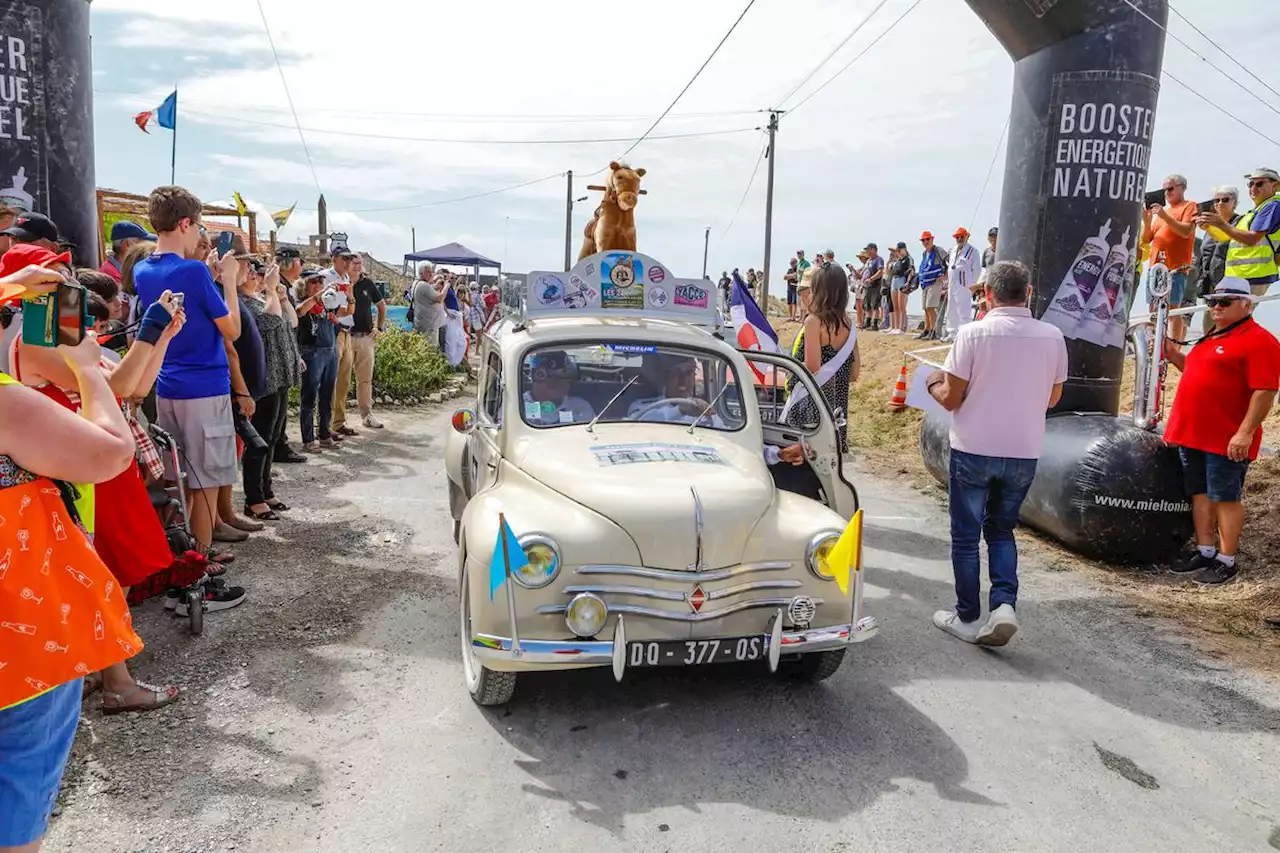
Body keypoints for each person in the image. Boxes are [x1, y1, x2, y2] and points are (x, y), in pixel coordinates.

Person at [0, 283, 145, 850]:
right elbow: (111, 446)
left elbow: (130, 384)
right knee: (18, 785)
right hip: (23, 627)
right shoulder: (9, 396)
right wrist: (85, 366)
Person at [926, 260, 1068, 647]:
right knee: (1002, 530)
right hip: (1023, 448)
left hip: (974, 446)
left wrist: (934, 383)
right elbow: (1053, 397)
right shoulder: (1053, 336)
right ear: (1029, 293)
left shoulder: (973, 334)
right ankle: (1004, 604)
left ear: (987, 294)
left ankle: (968, 616)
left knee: (966, 536)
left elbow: (952, 398)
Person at [131, 185, 241, 557]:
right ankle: (202, 558)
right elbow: (232, 330)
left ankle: (186, 552)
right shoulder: (194, 271)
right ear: (184, 224)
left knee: (179, 475)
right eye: (196, 228)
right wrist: (227, 281)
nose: (199, 236)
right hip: (205, 385)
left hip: (167, 384)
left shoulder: (143, 270)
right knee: (206, 479)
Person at [1162, 278, 1280, 588]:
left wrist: (1244, 433)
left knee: (1225, 497)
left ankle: (1226, 560)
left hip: (1225, 438)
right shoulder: (1211, 336)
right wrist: (1173, 355)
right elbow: (1199, 372)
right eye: (1213, 300)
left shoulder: (1260, 341)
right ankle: (1205, 550)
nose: (1216, 306)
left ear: (1246, 304)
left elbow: (1265, 391)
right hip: (1192, 435)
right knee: (1200, 493)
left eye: (1225, 302)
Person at [239, 259, 299, 520]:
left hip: (279, 377)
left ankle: (265, 490)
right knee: (260, 438)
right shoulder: (243, 303)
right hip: (264, 379)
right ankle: (253, 498)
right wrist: (273, 292)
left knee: (273, 436)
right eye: (252, 272)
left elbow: (291, 322)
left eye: (258, 272)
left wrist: (281, 297)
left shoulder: (263, 298)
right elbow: (270, 323)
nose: (256, 276)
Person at [784, 262, 857, 452]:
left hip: (813, 409)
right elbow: (854, 373)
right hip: (838, 413)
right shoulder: (849, 324)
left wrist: (789, 367)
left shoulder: (814, 322)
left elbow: (812, 367)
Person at [1199, 166, 1280, 299]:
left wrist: (1220, 223)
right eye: (1250, 184)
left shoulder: (1272, 206)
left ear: (1274, 185)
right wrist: (1209, 227)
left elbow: (1252, 239)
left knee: (1235, 317)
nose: (1253, 188)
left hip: (1255, 276)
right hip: (1240, 277)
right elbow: (1228, 237)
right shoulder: (1255, 211)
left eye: (1259, 184)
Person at [1141, 173, 1197, 345]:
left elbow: (1186, 231)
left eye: (1170, 188)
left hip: (1175, 267)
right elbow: (1146, 238)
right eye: (1164, 189)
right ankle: (1155, 344)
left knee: (1173, 309)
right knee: (1153, 307)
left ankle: (1172, 347)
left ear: (1182, 188)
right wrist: (1147, 219)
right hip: (1156, 266)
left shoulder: (1189, 206)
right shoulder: (1161, 213)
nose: (1167, 192)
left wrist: (1164, 216)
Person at [296, 266, 341, 452]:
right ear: (304, 285)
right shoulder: (302, 301)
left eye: (320, 281)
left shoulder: (326, 303)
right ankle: (308, 439)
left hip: (329, 351)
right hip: (312, 351)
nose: (318, 285)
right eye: (313, 281)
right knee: (309, 396)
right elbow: (300, 311)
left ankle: (324, 434)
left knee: (327, 395)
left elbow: (343, 314)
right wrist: (319, 295)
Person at [341, 254, 386, 430]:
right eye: (354, 263)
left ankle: (367, 415)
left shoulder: (368, 284)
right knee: (341, 380)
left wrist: (379, 328)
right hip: (345, 336)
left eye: (360, 263)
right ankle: (337, 420)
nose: (358, 266)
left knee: (365, 380)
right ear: (347, 264)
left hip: (365, 337)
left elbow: (381, 305)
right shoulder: (341, 282)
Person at [272, 246, 307, 464]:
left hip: (287, 350)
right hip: (279, 353)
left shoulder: (284, 286)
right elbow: (284, 324)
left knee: (281, 408)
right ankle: (278, 447)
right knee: (276, 410)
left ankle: (279, 444)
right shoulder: (277, 287)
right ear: (294, 263)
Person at [1194, 186, 1240, 335]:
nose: (1220, 203)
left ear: (1235, 203)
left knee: (1229, 326)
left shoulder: (1240, 223)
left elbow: (1233, 241)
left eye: (1225, 200)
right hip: (1210, 284)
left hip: (1230, 283)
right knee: (1208, 326)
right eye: (1216, 200)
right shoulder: (1210, 226)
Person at [327, 248, 360, 438]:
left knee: (344, 380)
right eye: (344, 259)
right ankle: (326, 424)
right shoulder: (325, 277)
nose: (347, 262)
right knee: (330, 379)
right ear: (334, 259)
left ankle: (338, 422)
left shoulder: (347, 279)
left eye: (350, 259)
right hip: (334, 330)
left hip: (347, 330)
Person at [523, 350, 595, 425]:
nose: (564, 386)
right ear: (539, 377)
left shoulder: (580, 406)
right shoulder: (518, 406)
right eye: (556, 380)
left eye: (568, 380)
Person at [944, 227, 982, 341]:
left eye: (962, 236)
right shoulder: (953, 250)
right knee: (951, 308)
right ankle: (952, 332)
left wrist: (973, 285)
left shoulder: (973, 251)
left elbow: (976, 270)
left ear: (967, 236)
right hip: (952, 283)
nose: (959, 239)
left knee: (963, 309)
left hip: (964, 284)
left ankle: (964, 334)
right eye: (957, 237)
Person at [917, 232, 948, 339]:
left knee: (930, 307)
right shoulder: (924, 253)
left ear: (932, 239)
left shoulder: (938, 250)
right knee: (925, 308)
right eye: (923, 240)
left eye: (927, 239)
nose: (925, 242)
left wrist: (945, 276)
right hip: (925, 282)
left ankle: (933, 331)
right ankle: (927, 330)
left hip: (935, 281)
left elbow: (949, 261)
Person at [411, 263, 447, 347]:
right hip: (428, 326)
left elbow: (427, 292)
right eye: (428, 272)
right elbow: (440, 298)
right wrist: (447, 286)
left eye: (431, 272)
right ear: (421, 272)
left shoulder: (417, 283)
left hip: (422, 323)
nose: (431, 274)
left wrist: (435, 286)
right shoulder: (423, 285)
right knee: (431, 350)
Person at [889, 241, 914, 335]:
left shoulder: (908, 259)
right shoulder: (898, 260)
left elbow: (911, 270)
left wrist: (908, 282)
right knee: (895, 305)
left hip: (902, 279)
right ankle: (895, 327)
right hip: (894, 280)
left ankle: (901, 327)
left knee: (901, 306)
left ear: (904, 249)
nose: (898, 252)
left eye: (899, 250)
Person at [860, 243, 885, 331]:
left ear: (874, 249)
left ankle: (874, 324)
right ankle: (867, 323)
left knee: (875, 305)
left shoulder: (879, 260)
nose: (867, 252)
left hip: (875, 285)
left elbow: (880, 272)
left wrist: (871, 279)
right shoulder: (868, 261)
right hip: (867, 286)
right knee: (867, 305)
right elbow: (863, 272)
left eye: (869, 250)